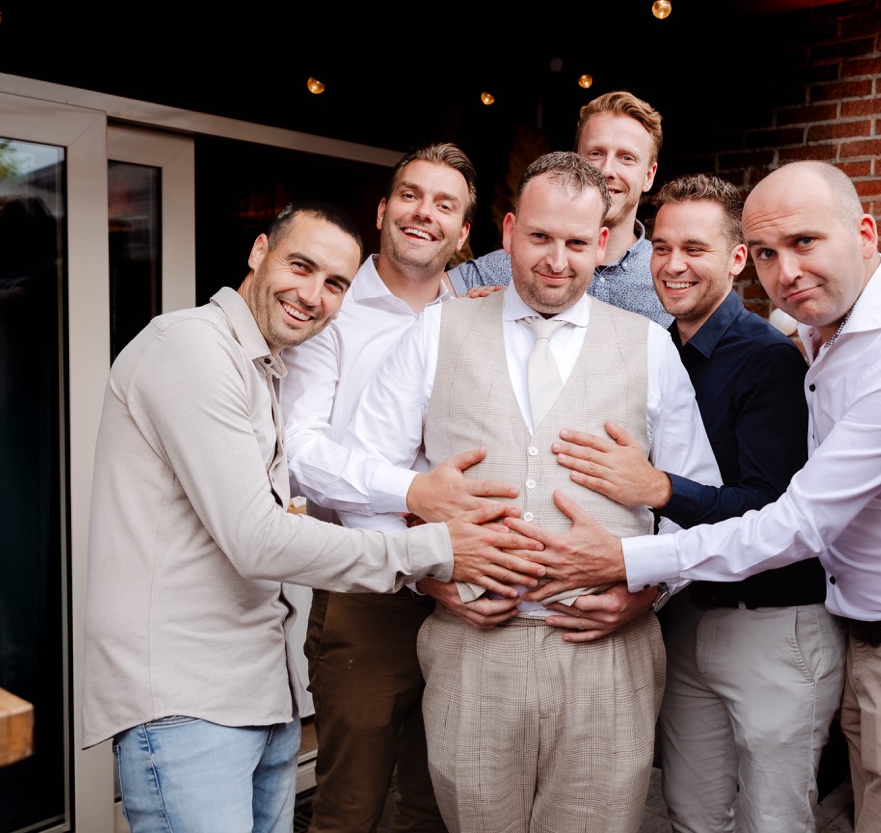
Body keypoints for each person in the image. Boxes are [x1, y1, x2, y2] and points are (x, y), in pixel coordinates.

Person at [511, 161, 881, 833]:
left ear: (865, 234)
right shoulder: (818, 330)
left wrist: (634, 547)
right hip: (861, 633)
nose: (786, 271)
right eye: (768, 252)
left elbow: (794, 522)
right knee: (709, 810)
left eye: (804, 242)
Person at [81, 201, 543, 833]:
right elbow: (257, 539)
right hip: (186, 703)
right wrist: (436, 548)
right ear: (258, 252)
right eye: (300, 266)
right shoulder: (190, 347)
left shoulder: (259, 366)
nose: (312, 295)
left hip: (257, 694)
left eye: (335, 284)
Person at [340, 152, 720, 833]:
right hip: (472, 653)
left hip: (609, 658)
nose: (556, 260)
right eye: (540, 237)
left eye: (576, 242)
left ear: (600, 243)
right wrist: (424, 576)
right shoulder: (438, 330)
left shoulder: (650, 346)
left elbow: (699, 504)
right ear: (510, 231)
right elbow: (363, 476)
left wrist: (650, 592)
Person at [552, 173, 846, 832]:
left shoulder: (767, 360)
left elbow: (773, 511)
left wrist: (660, 488)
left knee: (774, 820)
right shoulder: (657, 350)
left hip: (772, 626)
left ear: (736, 258)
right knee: (691, 813)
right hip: (684, 616)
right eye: (661, 247)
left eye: (694, 248)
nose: (673, 264)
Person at [280, 145, 498, 833]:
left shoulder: (481, 316)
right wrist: (412, 493)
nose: (423, 213)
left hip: (463, 587)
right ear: (382, 210)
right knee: (350, 804)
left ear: (463, 233)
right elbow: (299, 452)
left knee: (439, 801)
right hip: (365, 587)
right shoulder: (332, 308)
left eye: (444, 204)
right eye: (410, 195)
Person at [446, 90, 671, 326]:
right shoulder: (517, 261)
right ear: (575, 162)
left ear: (649, 176)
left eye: (626, 158)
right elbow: (427, 298)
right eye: (595, 153)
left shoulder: (668, 275)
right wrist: (473, 308)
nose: (607, 170)